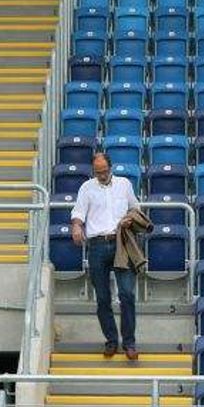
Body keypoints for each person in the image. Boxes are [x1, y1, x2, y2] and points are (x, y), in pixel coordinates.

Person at [70, 152, 140, 360]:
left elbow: (135, 208)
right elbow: (78, 213)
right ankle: (111, 340)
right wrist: (76, 226)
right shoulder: (86, 187)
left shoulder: (124, 184)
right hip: (97, 245)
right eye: (97, 172)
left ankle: (129, 343)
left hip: (121, 242)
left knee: (127, 294)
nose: (101, 175)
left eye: (104, 171)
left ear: (111, 168)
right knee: (102, 298)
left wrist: (129, 218)